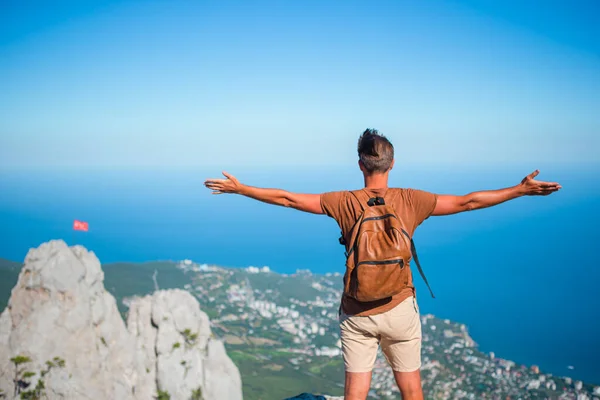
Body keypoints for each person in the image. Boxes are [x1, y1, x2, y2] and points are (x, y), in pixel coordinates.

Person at [203, 128, 561, 400]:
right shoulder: (412, 200)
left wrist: (241, 188)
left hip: (357, 314)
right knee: (411, 391)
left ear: (360, 164)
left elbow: (287, 199)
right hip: (400, 309)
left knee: (355, 394)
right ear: (392, 164)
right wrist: (520, 190)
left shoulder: (343, 202)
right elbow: (469, 202)